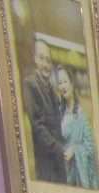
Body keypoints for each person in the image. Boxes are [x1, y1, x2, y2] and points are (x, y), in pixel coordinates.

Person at [22, 37, 66, 185]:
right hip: (46, 164)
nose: (46, 65)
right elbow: (38, 126)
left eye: (48, 60)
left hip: (59, 163)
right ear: (35, 59)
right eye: (42, 58)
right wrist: (60, 149)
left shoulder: (53, 90)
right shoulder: (30, 84)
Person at [57, 69, 96, 190]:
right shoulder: (57, 113)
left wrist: (75, 150)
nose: (63, 86)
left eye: (65, 81)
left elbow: (90, 146)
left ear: (72, 84)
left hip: (77, 177)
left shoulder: (81, 115)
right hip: (61, 173)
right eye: (60, 83)